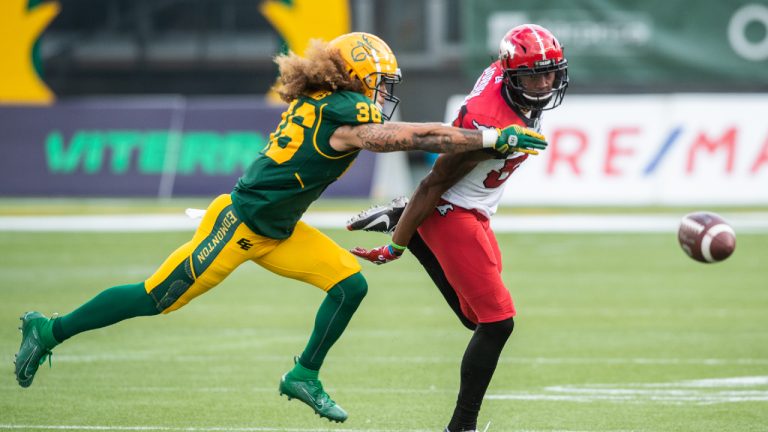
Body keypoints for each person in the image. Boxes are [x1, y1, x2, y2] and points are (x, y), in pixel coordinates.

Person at [13, 32, 548, 424]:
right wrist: (485, 140)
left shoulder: (327, 98)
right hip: (240, 226)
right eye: (380, 84)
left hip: (281, 229)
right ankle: (49, 328)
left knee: (349, 285)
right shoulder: (345, 115)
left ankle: (303, 375)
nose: (386, 93)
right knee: (156, 297)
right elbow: (415, 138)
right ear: (358, 81)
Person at [348, 24, 569, 432]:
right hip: (452, 209)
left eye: (549, 73)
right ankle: (461, 426)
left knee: (475, 318)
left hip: (479, 208)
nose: (543, 84)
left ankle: (413, 233)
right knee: (498, 322)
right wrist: (393, 247)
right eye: (533, 75)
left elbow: (513, 70)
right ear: (511, 74)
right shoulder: (488, 120)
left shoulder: (509, 77)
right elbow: (433, 182)